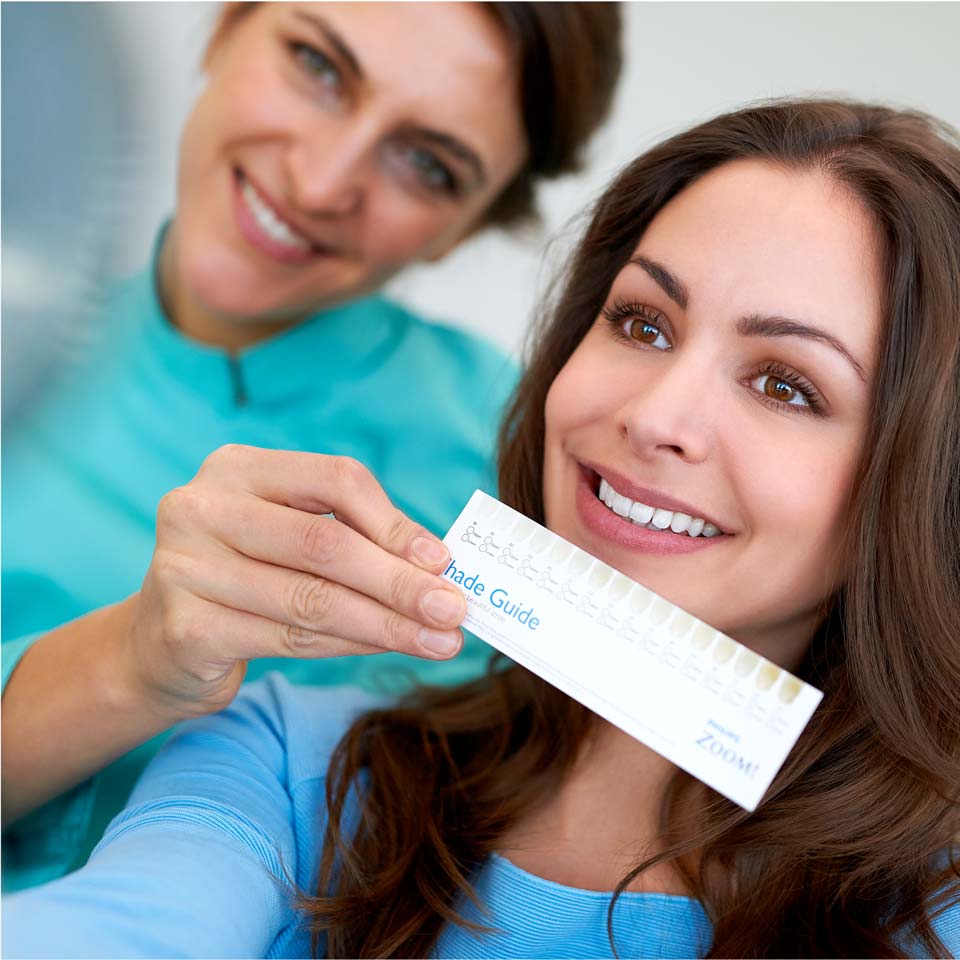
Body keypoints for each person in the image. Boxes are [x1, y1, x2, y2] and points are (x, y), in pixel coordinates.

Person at [6, 96, 960, 959]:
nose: (657, 417)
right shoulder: (297, 763)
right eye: (643, 323)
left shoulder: (937, 903)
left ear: (919, 490)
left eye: (784, 385)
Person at [0, 2, 622, 891]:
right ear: (224, 27)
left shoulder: (551, 470)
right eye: (319, 65)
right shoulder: (15, 352)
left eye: (428, 165)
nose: (322, 181)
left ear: (464, 228)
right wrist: (133, 661)